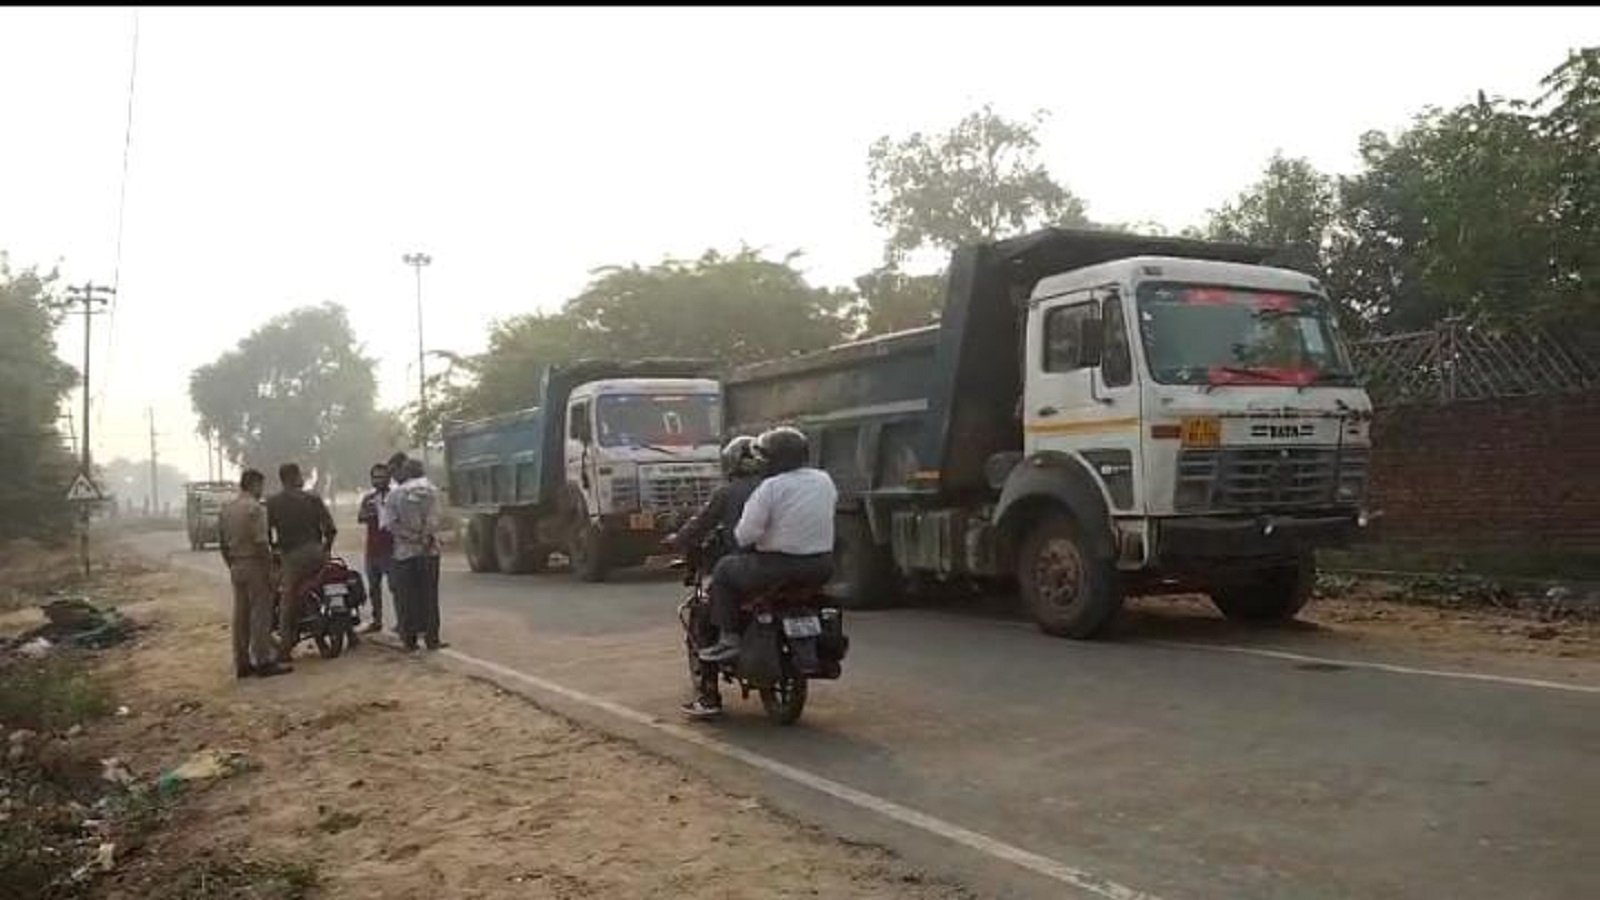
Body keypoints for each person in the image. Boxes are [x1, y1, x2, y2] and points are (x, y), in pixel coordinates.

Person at [697, 427, 837, 665]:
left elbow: (745, 535)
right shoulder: (823, 480)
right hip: (821, 566)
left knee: (723, 570)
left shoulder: (770, 487)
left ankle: (729, 639)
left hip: (775, 568)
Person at [218, 469, 290, 679]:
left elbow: (222, 544)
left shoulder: (227, 509)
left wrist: (232, 563)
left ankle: (242, 662)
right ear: (255, 484)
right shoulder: (255, 509)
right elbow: (261, 543)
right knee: (261, 613)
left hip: (236, 564)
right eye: (261, 486)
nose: (262, 491)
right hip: (255, 564)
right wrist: (270, 570)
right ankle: (263, 660)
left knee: (240, 615)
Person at [266, 462, 337, 663]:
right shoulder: (313, 499)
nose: (302, 478)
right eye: (299, 475)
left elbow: (266, 532)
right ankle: (348, 632)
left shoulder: (274, 502)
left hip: (292, 557)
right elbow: (330, 529)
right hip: (317, 552)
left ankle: (285, 648)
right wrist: (326, 549)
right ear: (293, 477)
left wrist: (274, 550)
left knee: (287, 599)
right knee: (327, 587)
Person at [667, 434, 764, 564]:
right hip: (780, 557)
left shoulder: (726, 492)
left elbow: (703, 522)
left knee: (720, 570)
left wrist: (678, 540)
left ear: (731, 462)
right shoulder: (775, 487)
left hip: (743, 558)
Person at [386, 458, 446, 652]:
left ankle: (409, 640)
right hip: (429, 551)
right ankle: (432, 639)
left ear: (405, 472)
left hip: (404, 553)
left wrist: (411, 537)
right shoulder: (432, 491)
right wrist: (425, 537)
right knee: (429, 597)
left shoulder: (395, 494)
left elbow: (391, 524)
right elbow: (436, 518)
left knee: (407, 598)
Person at [356, 462, 395, 634]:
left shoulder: (394, 497)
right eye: (375, 477)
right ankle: (376, 620)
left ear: (389, 478)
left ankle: (403, 622)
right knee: (373, 588)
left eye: (382, 477)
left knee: (396, 587)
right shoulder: (369, 499)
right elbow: (361, 517)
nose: (378, 480)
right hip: (372, 550)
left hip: (391, 549)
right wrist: (373, 511)